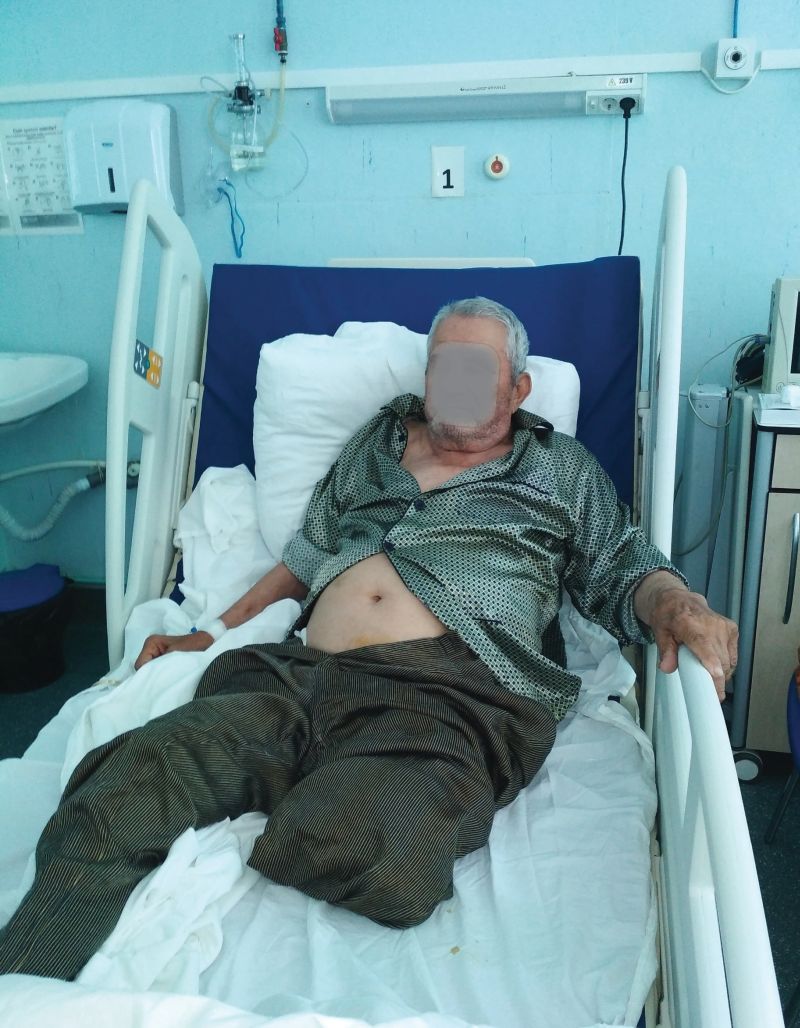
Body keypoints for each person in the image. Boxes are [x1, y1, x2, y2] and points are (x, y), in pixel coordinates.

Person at [0, 297, 738, 981]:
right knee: (119, 791)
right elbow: (308, 553)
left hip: (451, 698)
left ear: (518, 389)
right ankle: (24, 987)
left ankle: (323, 794)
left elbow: (624, 567)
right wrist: (212, 631)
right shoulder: (379, 442)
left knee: (373, 846)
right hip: (298, 679)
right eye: (445, 366)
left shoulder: (561, 470)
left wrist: (679, 606)